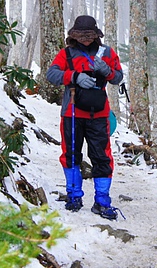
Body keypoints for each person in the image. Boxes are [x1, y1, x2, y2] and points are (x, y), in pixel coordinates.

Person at [46, 15, 124, 220]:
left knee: (102, 157)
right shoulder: (66, 54)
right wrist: (73, 76)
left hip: (99, 114)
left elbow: (117, 77)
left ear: (96, 35)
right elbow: (51, 74)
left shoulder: (107, 52)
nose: (86, 40)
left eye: (89, 36)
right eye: (82, 36)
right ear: (74, 36)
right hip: (71, 113)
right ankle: (74, 196)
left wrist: (106, 70)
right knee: (71, 154)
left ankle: (102, 201)